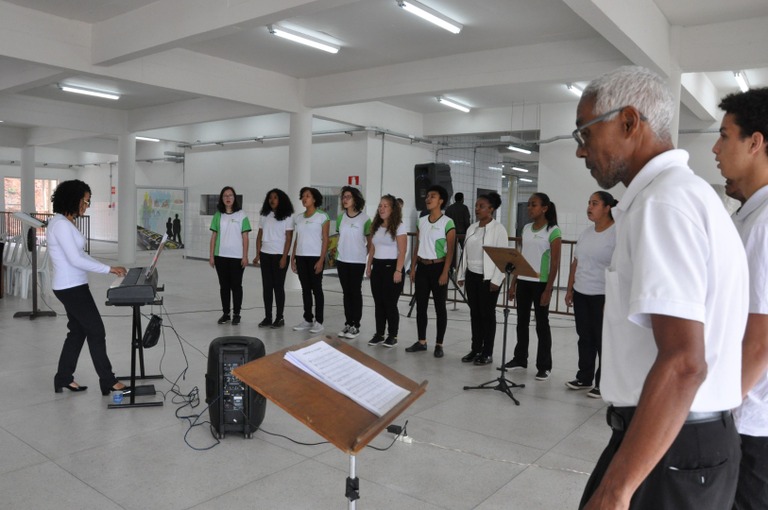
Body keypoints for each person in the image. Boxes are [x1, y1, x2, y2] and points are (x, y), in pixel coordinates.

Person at [574, 66, 748, 510]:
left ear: (629, 122)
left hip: (674, 444)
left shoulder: (664, 203)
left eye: (585, 135)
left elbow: (685, 361)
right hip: (673, 436)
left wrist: (617, 489)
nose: (581, 152)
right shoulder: (680, 196)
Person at [712, 88, 768, 510]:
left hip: (751, 422)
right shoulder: (748, 215)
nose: (715, 148)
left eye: (724, 135)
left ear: (755, 142)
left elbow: (760, 338)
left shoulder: (765, 224)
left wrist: (720, 414)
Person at [47, 179, 128, 396]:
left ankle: (63, 378)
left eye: (88, 201)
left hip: (74, 284)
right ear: (71, 199)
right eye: (84, 200)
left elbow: (81, 254)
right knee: (96, 330)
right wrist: (109, 268)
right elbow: (75, 259)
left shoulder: (65, 222)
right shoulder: (61, 225)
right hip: (70, 287)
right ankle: (108, 380)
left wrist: (105, 266)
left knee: (77, 332)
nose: (86, 205)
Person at [563, 191, 617, 399]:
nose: (589, 207)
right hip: (581, 292)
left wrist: (612, 298)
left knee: (603, 340)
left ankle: (603, 383)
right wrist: (569, 289)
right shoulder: (586, 233)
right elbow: (576, 262)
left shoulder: (616, 233)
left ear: (607, 208)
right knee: (584, 338)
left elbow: (619, 268)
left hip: (602, 295)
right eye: (588, 203)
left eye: (594, 203)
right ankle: (584, 377)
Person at [506, 192, 561, 381]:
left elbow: (554, 263)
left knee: (541, 324)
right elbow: (520, 258)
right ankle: (520, 358)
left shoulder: (553, 231)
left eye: (534, 205)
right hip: (523, 281)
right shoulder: (526, 228)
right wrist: (513, 283)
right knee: (521, 322)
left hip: (541, 283)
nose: (530, 208)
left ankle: (544, 366)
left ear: (544, 208)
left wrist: (549, 289)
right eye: (529, 204)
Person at [456, 192, 508, 365]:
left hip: (489, 279)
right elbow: (465, 252)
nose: (477, 209)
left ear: (491, 209)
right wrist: (462, 274)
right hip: (472, 275)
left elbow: (503, 257)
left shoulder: (498, 229)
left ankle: (487, 352)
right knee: (475, 314)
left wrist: (497, 279)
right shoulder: (472, 228)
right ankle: (475, 348)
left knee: (487, 315)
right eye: (477, 206)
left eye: (482, 206)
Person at [405, 185, 455, 358]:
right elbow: (417, 245)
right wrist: (412, 267)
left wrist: (445, 272)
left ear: (441, 201)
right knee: (421, 307)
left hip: (438, 268)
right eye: (427, 196)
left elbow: (451, 250)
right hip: (422, 268)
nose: (428, 199)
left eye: (432, 196)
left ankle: (439, 344)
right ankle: (421, 341)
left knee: (440, 307)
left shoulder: (447, 222)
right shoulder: (422, 221)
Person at [366, 194, 407, 347]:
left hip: (392, 267)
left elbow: (402, 251)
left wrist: (398, 270)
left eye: (385, 206)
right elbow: (372, 247)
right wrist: (369, 265)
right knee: (378, 303)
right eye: (380, 205)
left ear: (393, 209)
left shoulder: (399, 226)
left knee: (390, 303)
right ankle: (379, 334)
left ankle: (393, 335)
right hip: (377, 266)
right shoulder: (376, 225)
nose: (381, 208)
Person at [209, 186, 251, 326]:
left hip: (237, 257)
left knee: (236, 286)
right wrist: (212, 256)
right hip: (220, 256)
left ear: (234, 198)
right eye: (225, 195)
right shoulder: (218, 215)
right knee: (224, 286)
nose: (228, 198)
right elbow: (214, 236)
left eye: (230, 195)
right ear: (222, 198)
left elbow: (245, 237)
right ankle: (226, 313)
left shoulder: (241, 215)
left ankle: (237, 314)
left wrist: (245, 256)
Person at [253, 188, 294, 329]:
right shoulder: (265, 215)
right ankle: (268, 317)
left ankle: (279, 317)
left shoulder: (288, 216)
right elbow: (259, 235)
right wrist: (258, 254)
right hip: (265, 254)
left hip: (279, 256)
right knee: (267, 287)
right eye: (270, 197)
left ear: (281, 199)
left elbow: (289, 238)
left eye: (275, 197)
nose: (272, 200)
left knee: (278, 287)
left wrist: (284, 257)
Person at [291, 187, 330, 334]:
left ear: (314, 199)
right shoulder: (299, 218)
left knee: (316, 289)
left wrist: (321, 260)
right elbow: (297, 239)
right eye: (303, 196)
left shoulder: (322, 216)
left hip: (315, 257)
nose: (304, 199)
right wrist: (292, 258)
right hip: (301, 257)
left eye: (307, 196)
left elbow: (325, 239)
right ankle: (307, 319)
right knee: (305, 289)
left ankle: (319, 321)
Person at [334, 186, 371, 339]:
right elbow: (339, 237)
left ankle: (356, 325)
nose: (345, 199)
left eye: (348, 196)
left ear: (355, 199)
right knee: (346, 292)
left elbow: (370, 242)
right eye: (344, 197)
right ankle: (348, 323)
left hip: (357, 261)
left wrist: (362, 255)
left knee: (355, 292)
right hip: (342, 260)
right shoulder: (341, 217)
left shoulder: (365, 219)